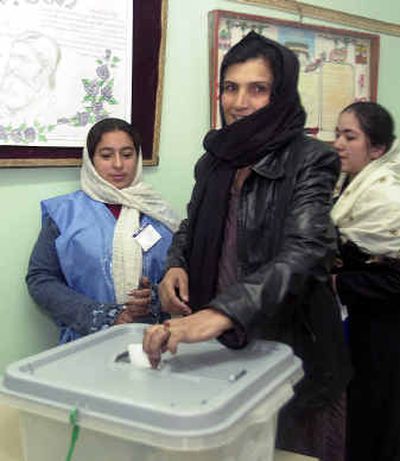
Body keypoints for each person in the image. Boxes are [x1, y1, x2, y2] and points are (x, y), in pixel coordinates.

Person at [143, 31, 351, 460]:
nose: (239, 103)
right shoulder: (216, 156)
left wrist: (221, 313)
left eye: (258, 89)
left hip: (290, 346)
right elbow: (192, 223)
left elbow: (307, 250)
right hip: (222, 346)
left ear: (282, 94)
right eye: (231, 87)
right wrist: (176, 264)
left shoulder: (311, 158)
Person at [26, 118, 178, 344]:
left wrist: (155, 298)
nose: (118, 164)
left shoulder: (160, 213)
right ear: (90, 160)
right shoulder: (64, 214)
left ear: (137, 158)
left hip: (155, 340)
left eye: (127, 155)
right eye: (106, 155)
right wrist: (103, 315)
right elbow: (41, 278)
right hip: (86, 342)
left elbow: (183, 273)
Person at [331, 101, 400, 461]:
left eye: (350, 136)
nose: (338, 143)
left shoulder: (386, 197)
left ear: (377, 149)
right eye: (338, 133)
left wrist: (339, 283)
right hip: (359, 324)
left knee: (379, 421)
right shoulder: (351, 184)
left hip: (386, 332)